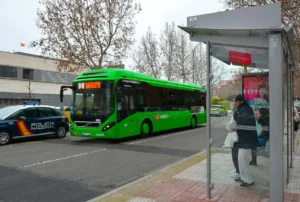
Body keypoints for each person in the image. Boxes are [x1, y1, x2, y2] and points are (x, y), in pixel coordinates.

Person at [233, 94, 258, 188]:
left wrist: (235, 113)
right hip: (245, 139)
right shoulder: (244, 109)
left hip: (246, 139)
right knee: (242, 159)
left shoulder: (246, 109)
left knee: (243, 160)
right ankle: (245, 178)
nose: (235, 104)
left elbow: (240, 121)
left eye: (236, 102)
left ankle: (247, 180)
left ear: (239, 102)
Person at [225, 102, 240, 179]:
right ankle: (236, 170)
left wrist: (228, 128)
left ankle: (238, 171)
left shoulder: (236, 114)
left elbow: (233, 126)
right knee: (234, 155)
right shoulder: (236, 114)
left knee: (235, 155)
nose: (231, 108)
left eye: (232, 106)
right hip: (234, 138)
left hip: (235, 138)